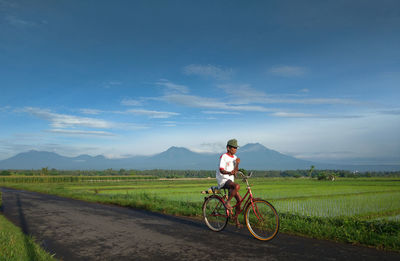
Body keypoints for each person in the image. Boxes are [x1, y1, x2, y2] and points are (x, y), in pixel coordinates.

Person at [216, 139, 242, 227]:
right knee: (237, 186)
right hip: (223, 180)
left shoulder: (235, 157)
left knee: (239, 200)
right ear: (228, 148)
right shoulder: (224, 156)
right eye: (234, 147)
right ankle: (227, 202)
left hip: (230, 181)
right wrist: (228, 173)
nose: (235, 149)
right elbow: (221, 170)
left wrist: (237, 164)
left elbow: (235, 171)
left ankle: (236, 220)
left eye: (236, 148)